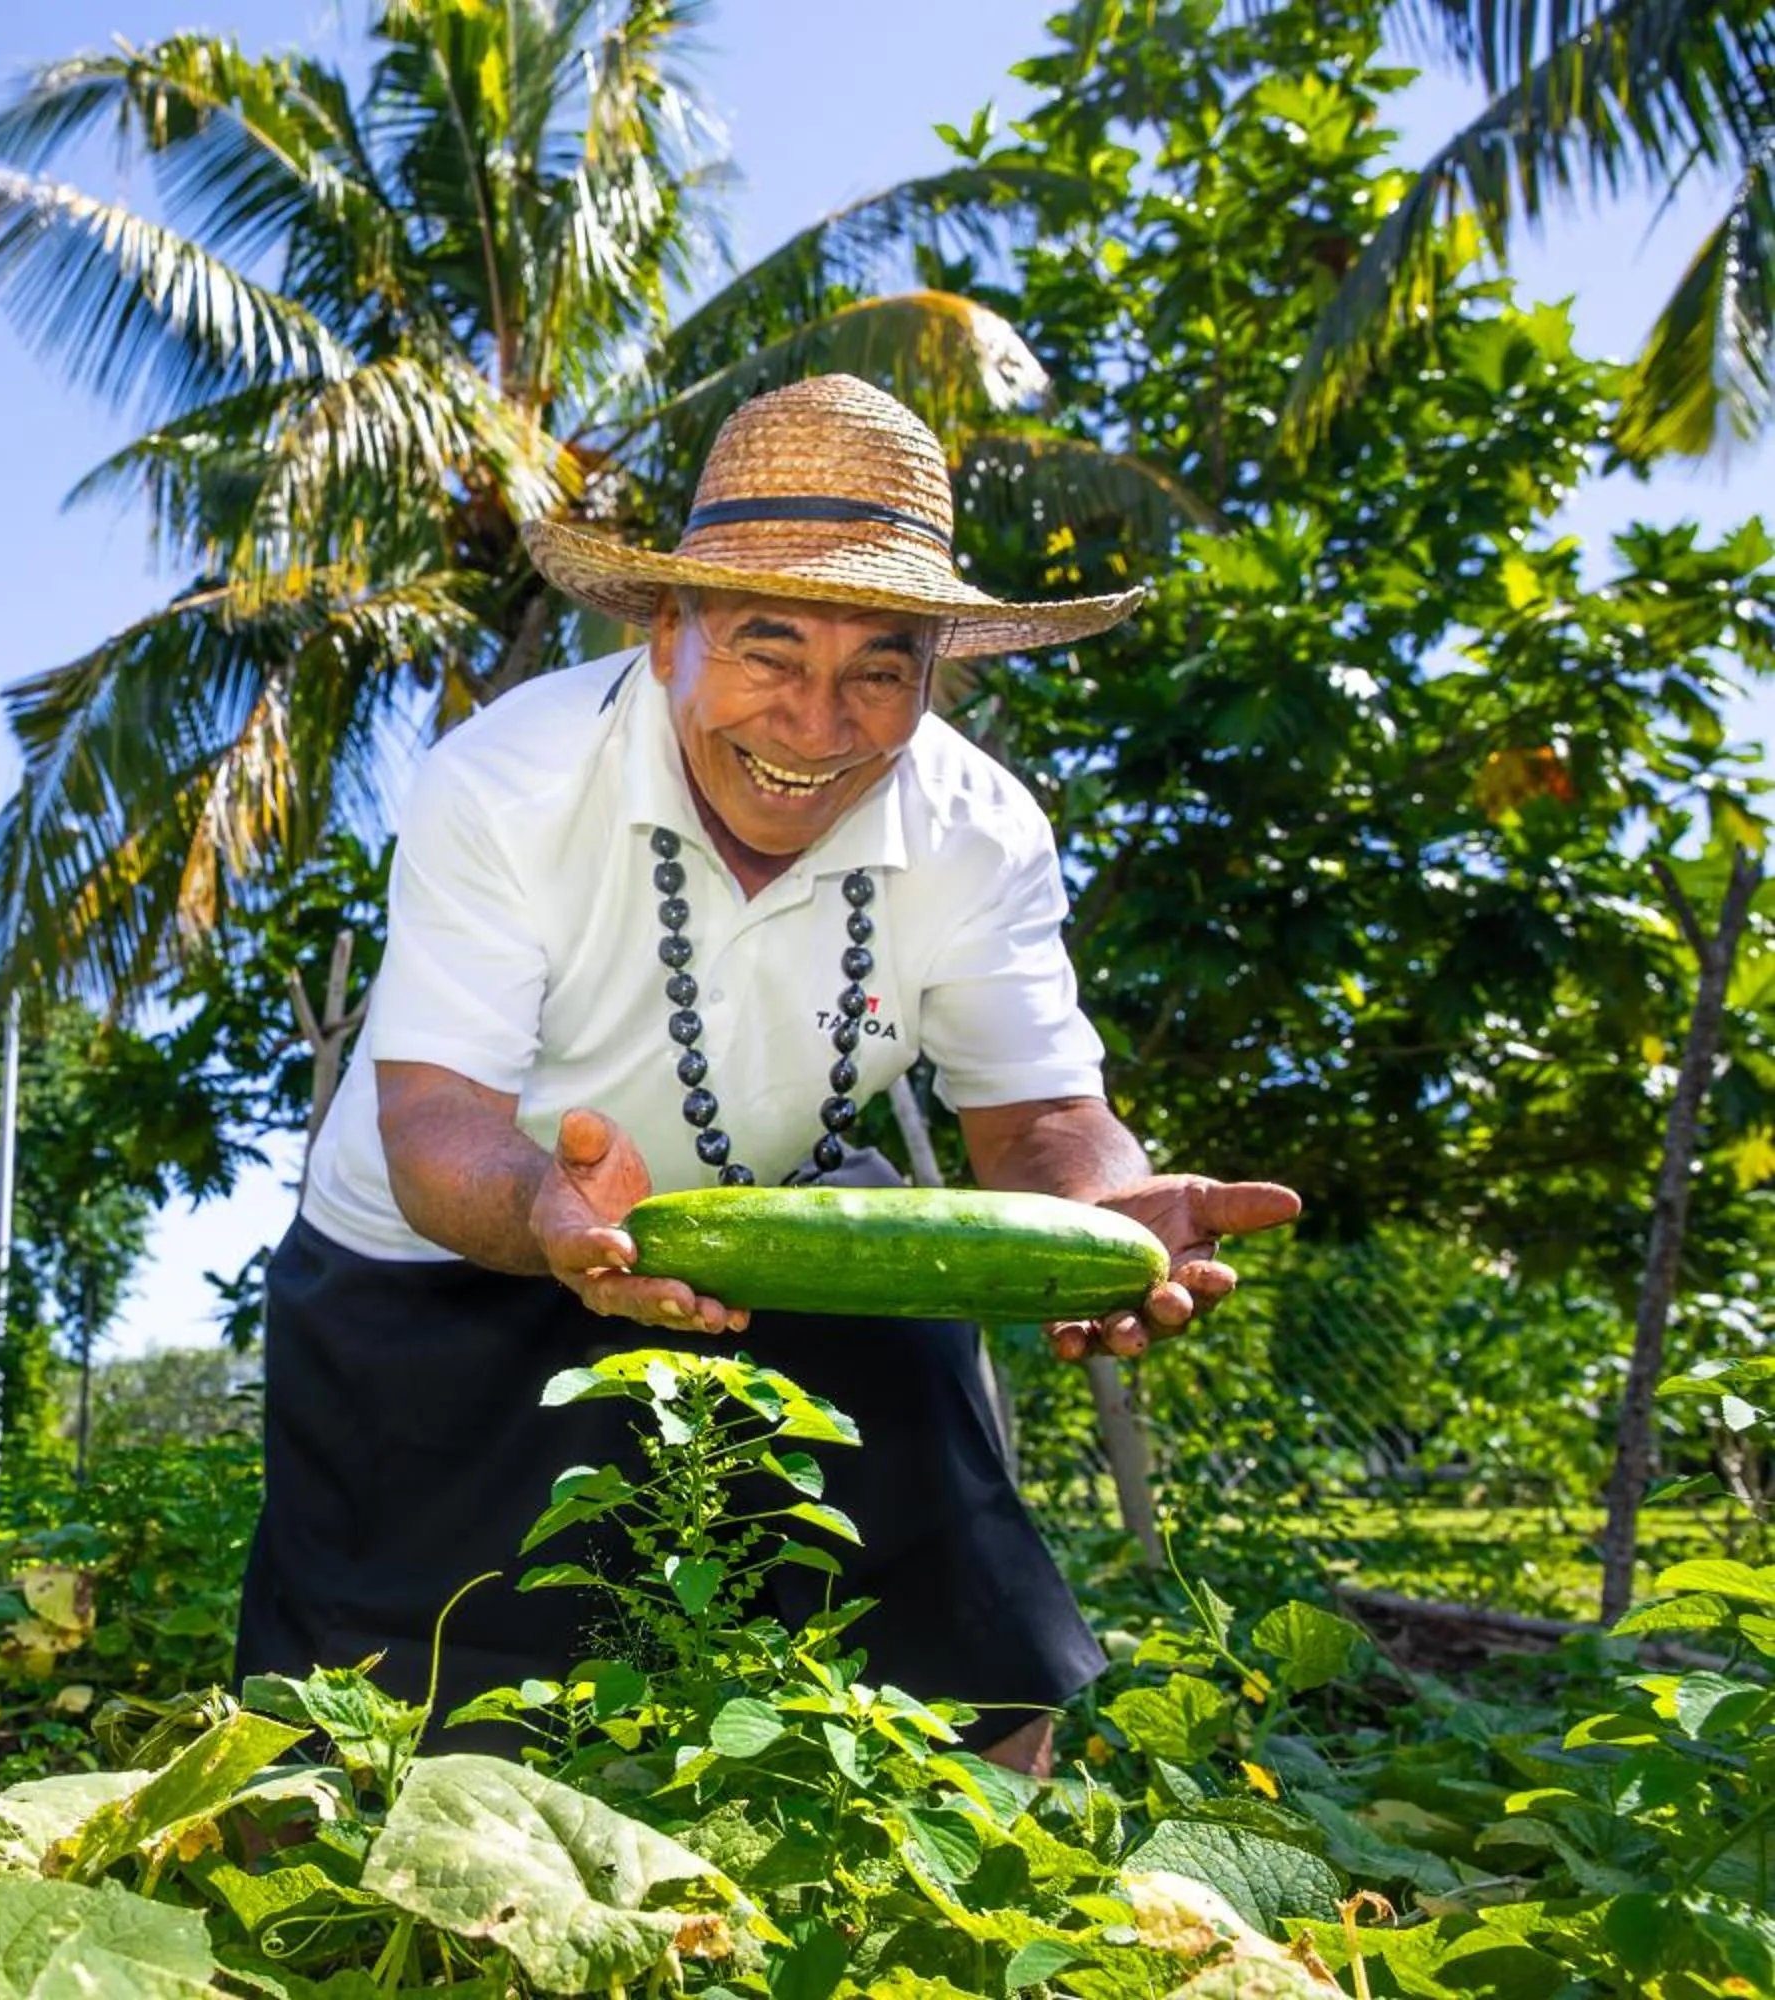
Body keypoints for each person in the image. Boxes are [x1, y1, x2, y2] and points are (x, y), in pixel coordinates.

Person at [233, 374, 1301, 1775]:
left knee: (970, 1638)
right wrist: (554, 1217)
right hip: (450, 1246)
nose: (818, 722)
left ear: (935, 673)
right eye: (769, 650)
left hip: (787, 1226)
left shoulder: (980, 829)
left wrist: (1112, 1207)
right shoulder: (506, 782)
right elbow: (436, 1122)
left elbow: (1040, 1117)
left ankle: (973, 1930)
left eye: (882, 669)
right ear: (666, 631)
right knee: (384, 1712)